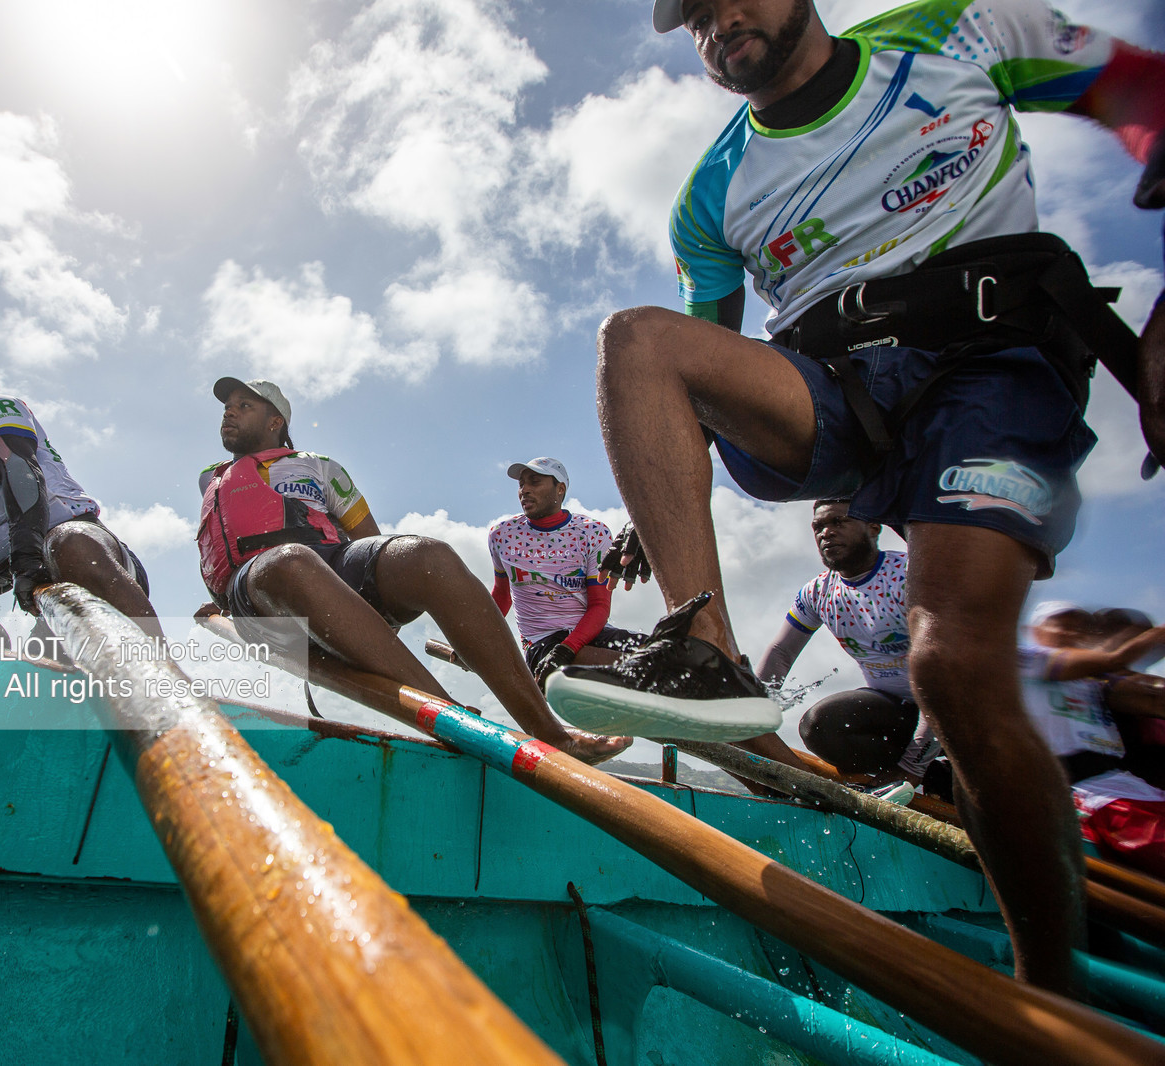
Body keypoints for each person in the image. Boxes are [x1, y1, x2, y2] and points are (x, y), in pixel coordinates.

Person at [595, 0, 1165, 990]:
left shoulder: (955, 33)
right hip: (840, 393)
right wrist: (652, 509)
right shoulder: (709, 194)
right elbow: (700, 361)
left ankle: (1050, 992)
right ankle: (702, 653)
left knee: (952, 666)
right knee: (635, 341)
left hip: (990, 364)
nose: (720, 19)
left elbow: (1141, 89)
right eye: (695, 14)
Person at [197, 377, 630, 763]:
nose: (229, 411)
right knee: (291, 561)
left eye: (243, 405)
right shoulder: (210, 479)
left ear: (275, 422)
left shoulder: (320, 466)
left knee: (426, 554)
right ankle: (453, 718)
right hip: (262, 591)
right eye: (227, 406)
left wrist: (373, 599)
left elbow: (370, 543)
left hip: (326, 570)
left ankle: (551, 732)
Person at [0, 360, 160, 636]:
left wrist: (26, 558)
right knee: (33, 672)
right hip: (52, 592)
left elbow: (20, 472)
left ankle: (160, 673)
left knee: (67, 544)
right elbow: (5, 569)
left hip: (91, 554)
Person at [758, 499, 938, 796]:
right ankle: (934, 777)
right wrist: (753, 708)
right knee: (820, 726)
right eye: (818, 526)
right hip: (897, 713)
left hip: (954, 708)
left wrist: (911, 767)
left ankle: (925, 771)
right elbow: (781, 652)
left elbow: (945, 676)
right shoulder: (818, 592)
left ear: (873, 527)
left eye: (838, 522)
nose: (826, 533)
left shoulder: (909, 575)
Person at [1020, 602, 1165, 878]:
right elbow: (1115, 659)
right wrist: (1155, 635)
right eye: (1063, 623)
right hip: (1086, 793)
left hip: (1131, 786)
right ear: (1035, 631)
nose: (1075, 631)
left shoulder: (1094, 679)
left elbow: (1152, 696)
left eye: (1081, 626)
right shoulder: (1022, 659)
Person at [488, 458, 632, 682]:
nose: (524, 490)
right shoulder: (502, 535)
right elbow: (502, 595)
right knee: (629, 669)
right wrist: (476, 638)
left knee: (667, 652)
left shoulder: (593, 532)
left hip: (590, 633)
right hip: (541, 642)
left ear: (560, 489)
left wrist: (567, 649)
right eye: (521, 484)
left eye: (534, 482)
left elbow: (600, 605)